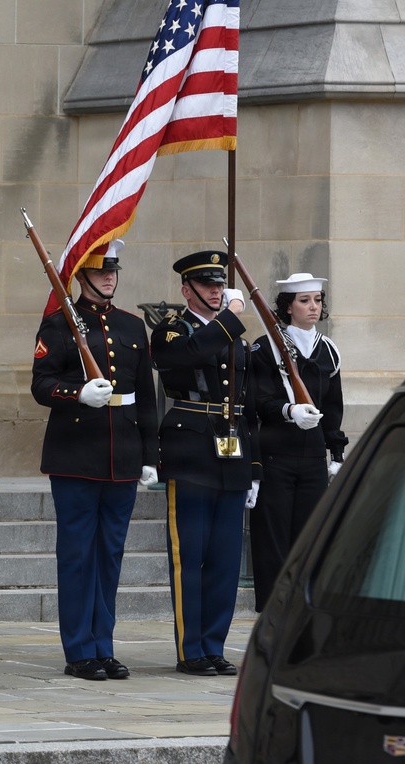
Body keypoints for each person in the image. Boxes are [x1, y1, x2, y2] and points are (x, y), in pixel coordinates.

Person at [30, 240, 159, 680]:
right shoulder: (58, 325)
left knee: (110, 555)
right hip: (75, 456)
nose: (109, 277)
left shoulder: (132, 327)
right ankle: (80, 650)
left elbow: (145, 398)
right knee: (78, 555)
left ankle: (103, 644)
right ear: (80, 278)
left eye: (113, 271)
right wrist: (76, 393)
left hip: (121, 454)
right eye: (100, 272)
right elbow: (41, 385)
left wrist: (148, 453)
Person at [150, 251, 260, 677]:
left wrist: (254, 468)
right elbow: (189, 356)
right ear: (187, 290)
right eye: (207, 285)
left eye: (220, 284)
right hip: (191, 450)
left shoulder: (235, 338)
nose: (217, 290)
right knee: (189, 555)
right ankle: (189, 648)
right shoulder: (172, 331)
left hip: (231, 451)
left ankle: (214, 644)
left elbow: (244, 404)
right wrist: (230, 317)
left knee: (225, 559)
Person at [250, 272, 347, 611]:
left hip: (312, 460)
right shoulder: (265, 348)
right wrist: (288, 410)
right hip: (276, 454)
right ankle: (274, 610)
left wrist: (335, 451)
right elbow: (257, 401)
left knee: (311, 538)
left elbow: (333, 407)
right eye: (304, 301)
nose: (313, 307)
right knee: (273, 539)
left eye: (318, 301)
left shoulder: (328, 351)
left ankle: (304, 608)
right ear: (288, 307)